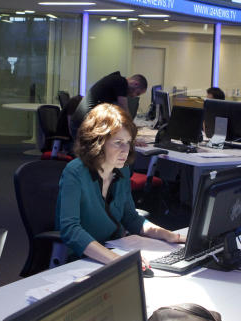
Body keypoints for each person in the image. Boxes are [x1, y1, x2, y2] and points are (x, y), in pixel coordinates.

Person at [57, 103, 183, 264]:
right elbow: (70, 230)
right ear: (98, 142)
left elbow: (130, 217)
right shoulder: (75, 172)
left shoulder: (122, 170)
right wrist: (118, 260)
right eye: (118, 142)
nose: (126, 149)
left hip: (114, 249)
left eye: (128, 142)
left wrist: (169, 235)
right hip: (83, 257)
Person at [68, 71, 147, 140]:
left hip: (83, 123)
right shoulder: (121, 82)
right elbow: (124, 110)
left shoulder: (115, 81)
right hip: (84, 124)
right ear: (136, 84)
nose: (133, 96)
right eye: (137, 93)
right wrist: (132, 135)